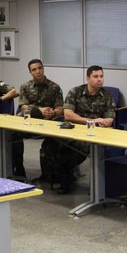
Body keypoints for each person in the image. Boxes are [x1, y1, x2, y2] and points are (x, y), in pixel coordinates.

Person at [41, 65, 114, 194]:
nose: (99, 79)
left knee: (76, 149)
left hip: (93, 133)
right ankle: (57, 175)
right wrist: (91, 121)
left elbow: (109, 120)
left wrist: (100, 123)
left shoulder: (107, 96)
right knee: (50, 143)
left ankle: (66, 178)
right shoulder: (76, 92)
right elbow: (68, 115)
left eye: (101, 76)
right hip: (73, 129)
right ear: (88, 78)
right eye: (95, 76)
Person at [13, 59, 64, 178]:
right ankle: (18, 170)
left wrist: (52, 113)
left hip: (49, 121)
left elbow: (60, 108)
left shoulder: (54, 87)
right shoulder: (25, 86)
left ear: (43, 68)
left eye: (40, 68)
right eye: (34, 69)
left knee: (60, 133)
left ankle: (52, 174)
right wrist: (39, 110)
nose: (38, 71)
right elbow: (23, 106)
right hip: (31, 120)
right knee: (13, 134)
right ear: (30, 72)